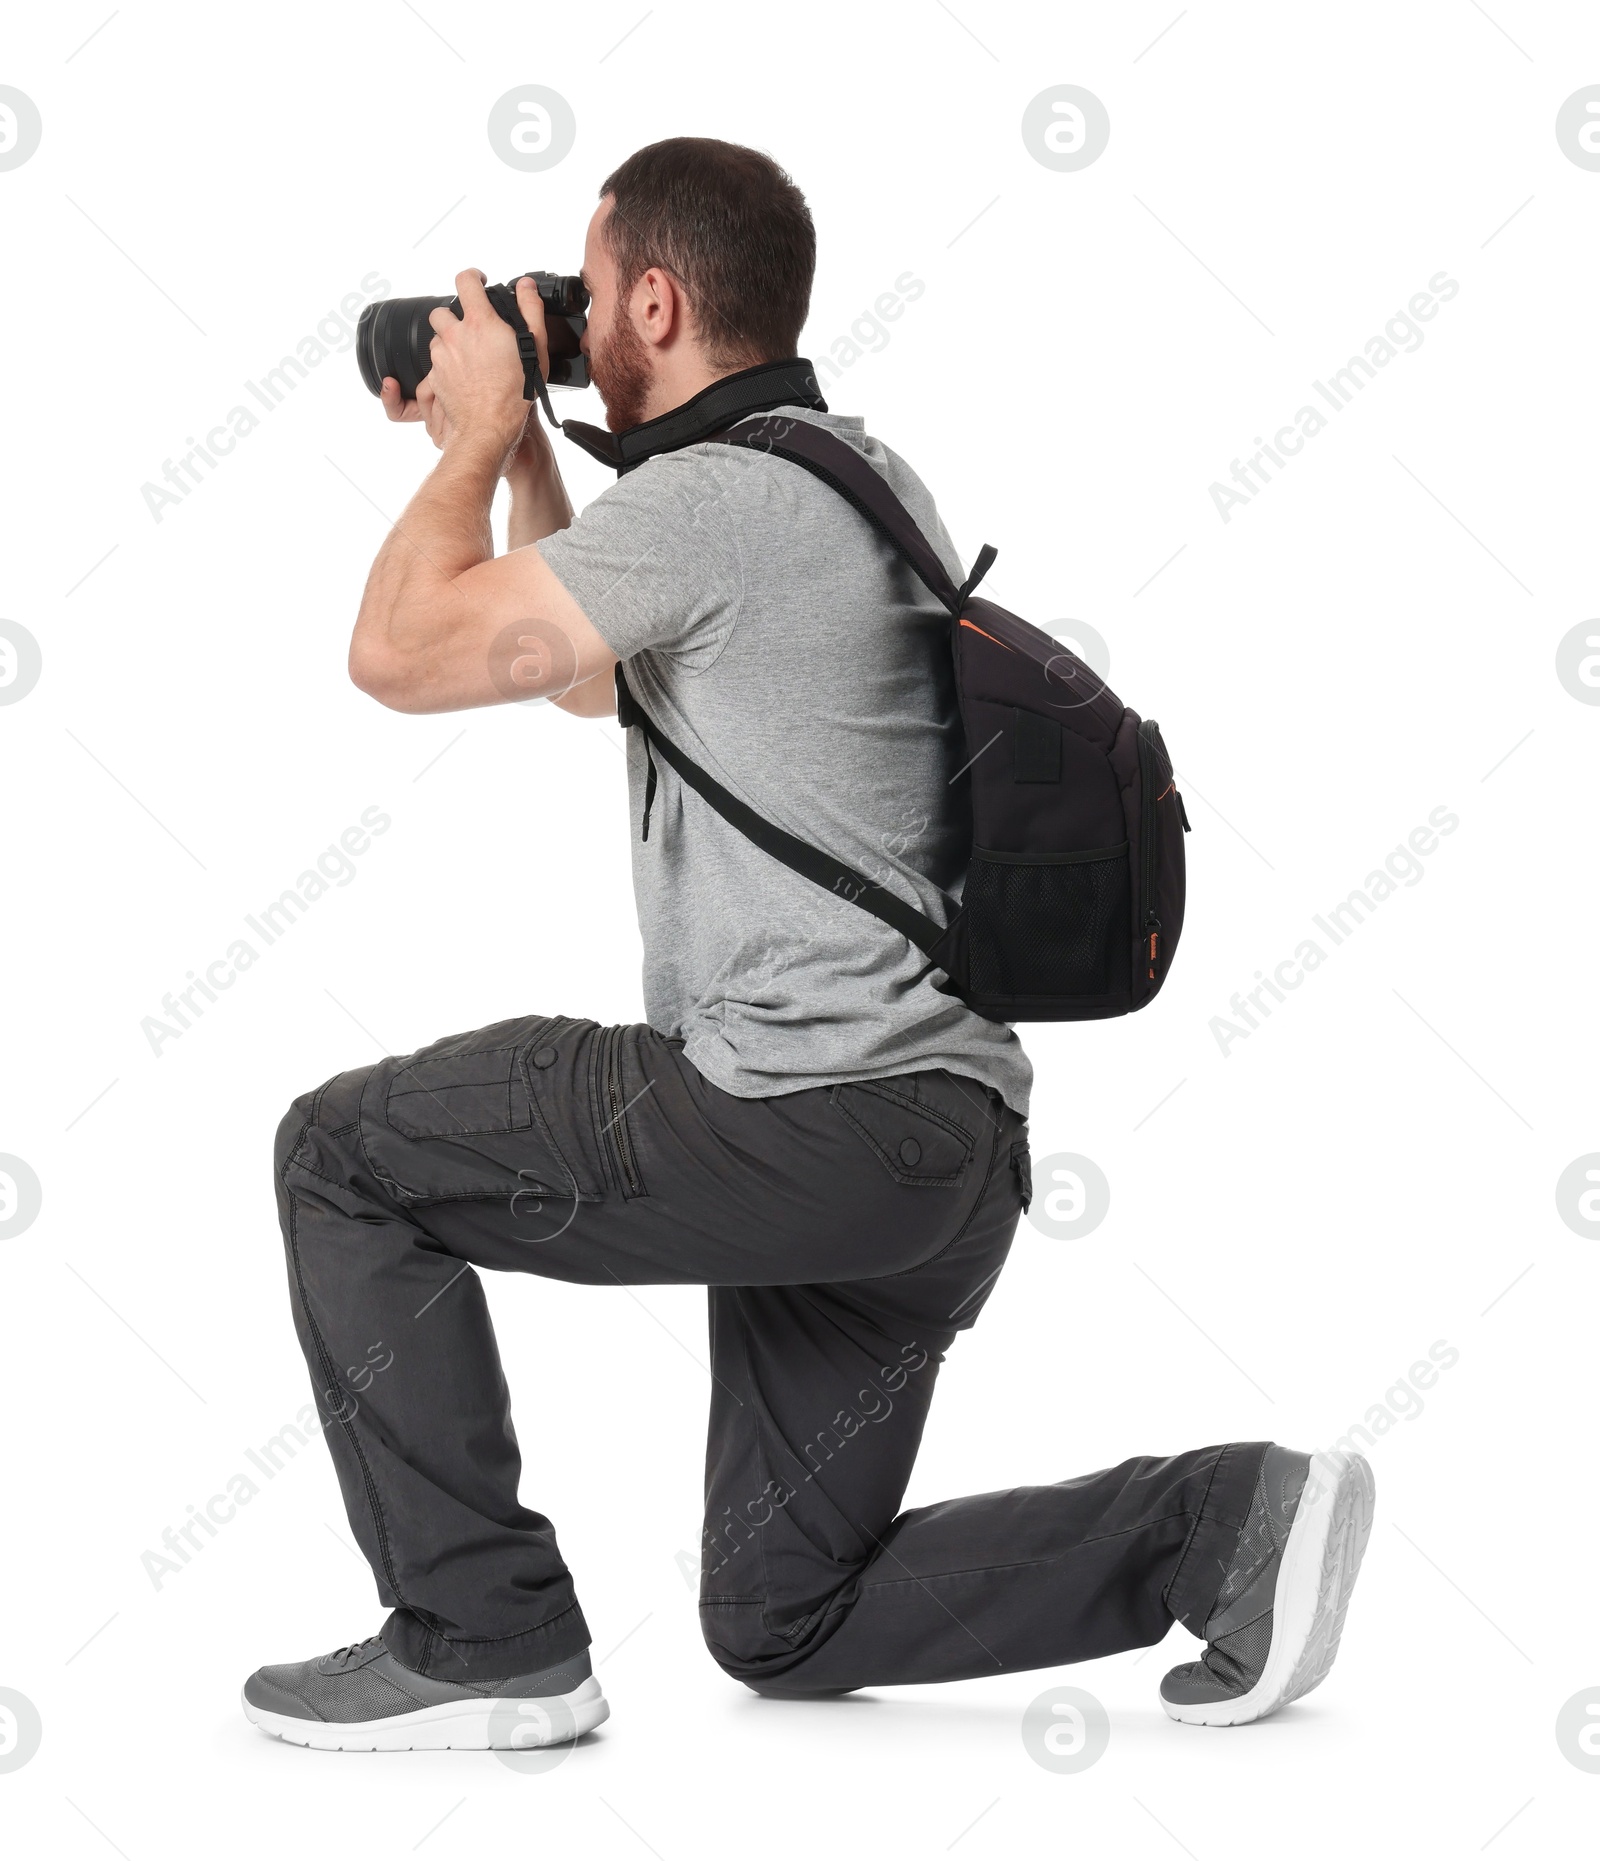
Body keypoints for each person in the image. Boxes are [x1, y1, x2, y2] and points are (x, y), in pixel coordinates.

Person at [241, 137, 1372, 1751]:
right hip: (937, 1155)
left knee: (340, 1155)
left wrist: (479, 429)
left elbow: (401, 652)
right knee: (786, 1608)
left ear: (653, 294)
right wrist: (526, 457)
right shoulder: (848, 474)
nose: (570, 317)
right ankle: (1226, 1524)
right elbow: (583, 671)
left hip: (793, 1108)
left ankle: (477, 1631)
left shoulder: (717, 506)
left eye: (589, 289)